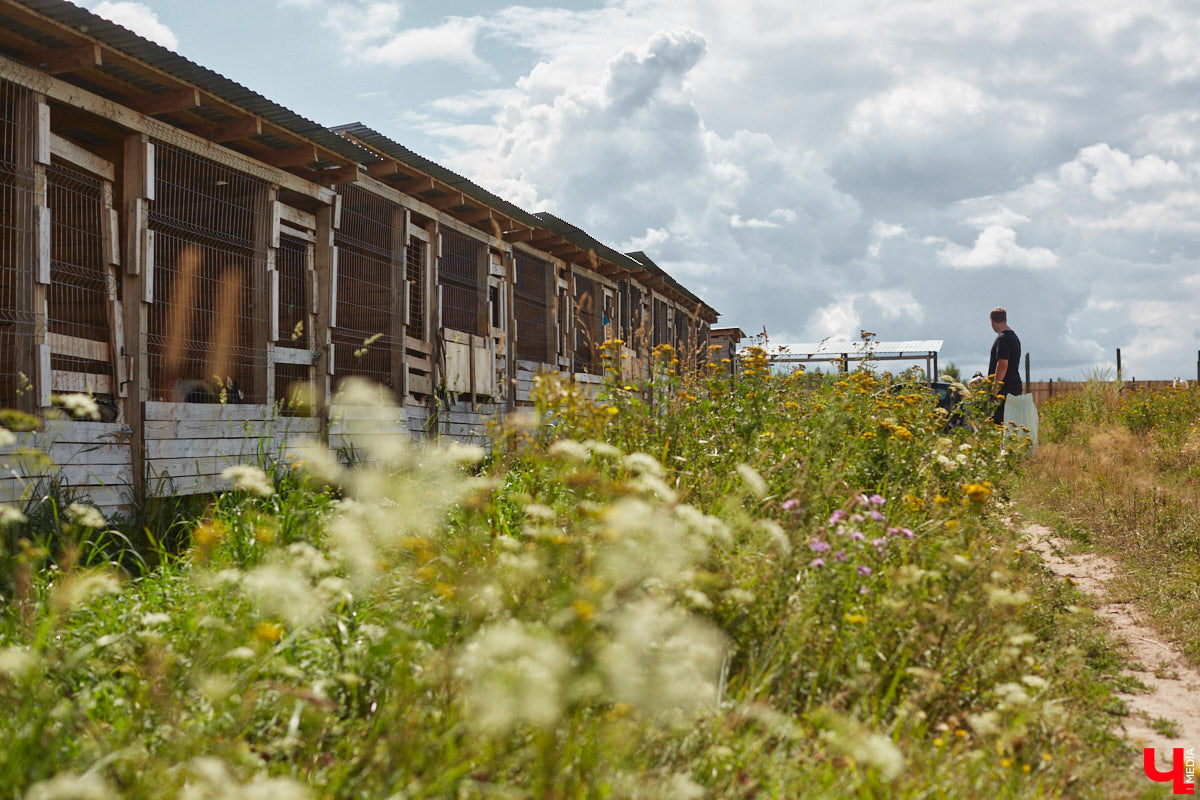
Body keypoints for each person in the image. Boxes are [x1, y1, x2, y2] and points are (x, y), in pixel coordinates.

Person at [983, 307, 1022, 424]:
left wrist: (995, 388)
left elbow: (1002, 364)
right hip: (1014, 386)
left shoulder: (1003, 338)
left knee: (998, 424)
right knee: (1010, 424)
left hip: (1005, 389)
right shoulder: (1014, 337)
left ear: (992, 321)